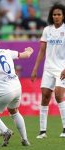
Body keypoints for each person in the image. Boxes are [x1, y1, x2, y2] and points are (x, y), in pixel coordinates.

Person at [31, 3, 65, 138]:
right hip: (48, 68)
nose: (56, 17)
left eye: (59, 14)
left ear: (63, 16)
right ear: (52, 16)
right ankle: (42, 131)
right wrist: (35, 69)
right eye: (54, 14)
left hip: (62, 68)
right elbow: (42, 51)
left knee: (58, 95)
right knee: (45, 96)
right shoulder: (47, 30)